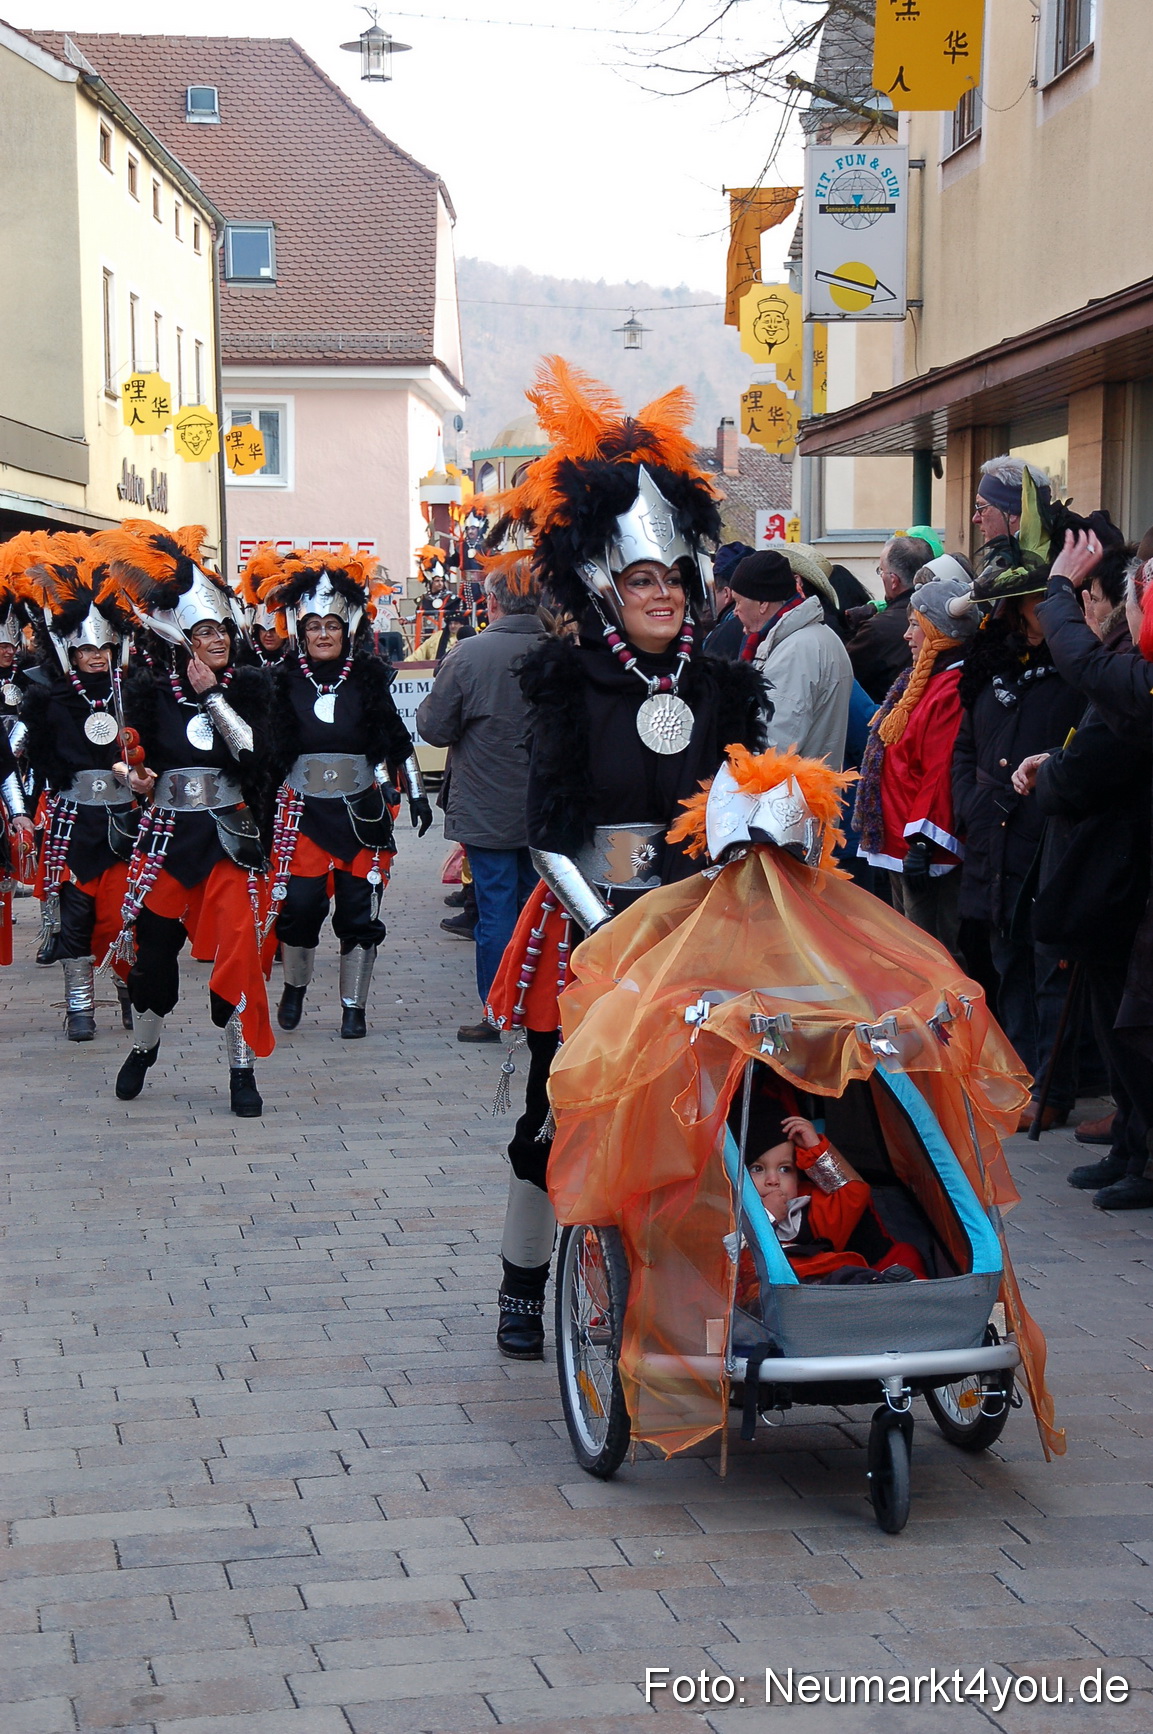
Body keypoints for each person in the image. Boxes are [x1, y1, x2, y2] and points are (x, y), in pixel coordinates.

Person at [482, 356, 767, 1360]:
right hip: (587, 925)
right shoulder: (565, 680)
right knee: (557, 1109)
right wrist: (609, 932)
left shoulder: (727, 686)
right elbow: (543, 833)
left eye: (672, 579)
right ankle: (525, 1283)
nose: (660, 595)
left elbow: (749, 799)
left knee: (709, 1109)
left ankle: (682, 1276)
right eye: (640, 578)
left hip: (700, 931)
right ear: (606, 586)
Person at [100, 520, 275, 1116]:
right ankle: (145, 1047)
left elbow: (251, 751)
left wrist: (212, 695)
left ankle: (241, 1070)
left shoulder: (249, 686)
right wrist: (136, 778)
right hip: (167, 834)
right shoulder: (147, 688)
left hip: (227, 835)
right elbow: (127, 760)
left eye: (222, 629)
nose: (217, 639)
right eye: (204, 632)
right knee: (152, 957)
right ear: (181, 638)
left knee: (236, 949)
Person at [256, 547, 431, 1039]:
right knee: (302, 908)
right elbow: (265, 755)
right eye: (314, 626)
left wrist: (416, 793)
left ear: (347, 628)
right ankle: (295, 987)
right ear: (301, 631)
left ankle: (354, 1006)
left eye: (332, 625)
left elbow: (396, 740)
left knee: (358, 913)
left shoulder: (369, 679)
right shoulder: (281, 681)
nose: (324, 634)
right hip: (301, 815)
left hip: (361, 814)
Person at [952, 555, 1085, 1132]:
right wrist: (972, 804)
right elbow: (964, 749)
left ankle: (1053, 1087)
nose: (1023, 614)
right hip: (991, 836)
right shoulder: (993, 668)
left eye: (1031, 602)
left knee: (1047, 961)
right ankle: (1020, 1076)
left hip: (1045, 835)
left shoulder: (1073, 672)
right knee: (1006, 961)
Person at [416, 560, 547, 1043]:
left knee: (495, 910)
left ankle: (498, 1012)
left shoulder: (469, 654)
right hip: (545, 807)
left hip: (487, 803)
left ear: (492, 603)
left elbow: (434, 727)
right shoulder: (560, 651)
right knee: (541, 908)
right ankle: (540, 1008)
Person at [18, 532, 139, 1040]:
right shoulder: (47, 696)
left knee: (118, 918)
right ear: (71, 648)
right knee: (75, 918)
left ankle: (130, 992)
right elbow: (21, 753)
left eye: (103, 647)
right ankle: (80, 1007)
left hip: (122, 822)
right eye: (85, 648)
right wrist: (23, 804)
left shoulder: (133, 693)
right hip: (71, 821)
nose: (95, 656)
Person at [854, 578, 978, 956]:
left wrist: (923, 842)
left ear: (938, 631)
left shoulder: (951, 687)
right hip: (902, 841)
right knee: (911, 950)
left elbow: (939, 772)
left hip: (923, 849)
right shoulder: (921, 681)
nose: (907, 635)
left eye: (916, 625)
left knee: (933, 951)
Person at [733, 1095, 925, 1300]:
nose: (773, 1180)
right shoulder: (727, 1214)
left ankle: (895, 1290)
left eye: (784, 1169)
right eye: (757, 1169)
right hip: (774, 1295)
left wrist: (815, 1150)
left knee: (863, 1271)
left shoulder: (806, 1207)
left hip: (831, 1285)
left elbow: (854, 1194)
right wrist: (766, 1216)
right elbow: (728, 1260)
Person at [729, 549, 853, 766]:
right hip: (810, 790)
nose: (736, 611)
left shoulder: (795, 651)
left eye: (738, 601)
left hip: (788, 794)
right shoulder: (816, 637)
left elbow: (772, 749)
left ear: (762, 603)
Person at [844, 535, 934, 701]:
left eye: (881, 571)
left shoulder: (878, 628)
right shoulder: (944, 614)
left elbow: (843, 675)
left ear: (893, 581)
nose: (909, 635)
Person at [702, 541, 753, 658]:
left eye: (713, 591)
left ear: (726, 593)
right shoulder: (760, 623)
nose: (709, 601)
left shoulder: (722, 635)